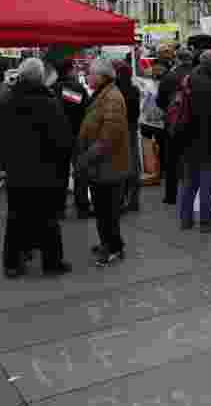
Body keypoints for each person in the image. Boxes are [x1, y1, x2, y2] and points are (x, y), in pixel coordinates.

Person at [0, 58, 74, 278]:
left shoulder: (9, 99)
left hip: (18, 170)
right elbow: (62, 140)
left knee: (15, 218)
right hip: (45, 171)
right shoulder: (49, 103)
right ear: (41, 77)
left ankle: (12, 263)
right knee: (48, 219)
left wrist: (7, 162)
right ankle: (52, 262)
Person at [76, 57, 130, 266]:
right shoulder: (102, 93)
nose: (87, 76)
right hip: (100, 165)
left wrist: (86, 157)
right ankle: (107, 242)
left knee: (107, 212)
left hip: (109, 165)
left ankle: (113, 247)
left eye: (90, 73)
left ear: (102, 76)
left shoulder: (113, 98)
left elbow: (109, 138)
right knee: (101, 210)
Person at [179, 50, 211, 233]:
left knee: (190, 180)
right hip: (209, 140)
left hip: (189, 138)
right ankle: (207, 220)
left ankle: (185, 218)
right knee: (207, 181)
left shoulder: (190, 78)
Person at [45, 56, 91, 217]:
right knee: (80, 172)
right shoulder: (74, 89)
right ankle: (82, 206)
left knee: (59, 172)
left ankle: (58, 208)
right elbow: (84, 110)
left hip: (58, 137)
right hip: (77, 134)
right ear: (70, 70)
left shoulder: (52, 88)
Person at [157, 48, 196, 205]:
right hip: (192, 123)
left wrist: (169, 110)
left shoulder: (169, 76)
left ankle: (171, 195)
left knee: (171, 160)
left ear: (178, 59)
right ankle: (192, 195)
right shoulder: (196, 75)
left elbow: (160, 101)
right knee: (191, 161)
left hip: (172, 124)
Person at [113, 60, 142, 213]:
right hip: (131, 128)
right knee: (134, 166)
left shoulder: (114, 90)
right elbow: (136, 112)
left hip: (118, 129)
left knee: (119, 165)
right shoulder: (134, 90)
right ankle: (134, 200)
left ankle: (120, 200)